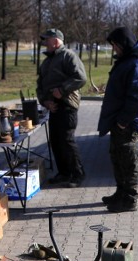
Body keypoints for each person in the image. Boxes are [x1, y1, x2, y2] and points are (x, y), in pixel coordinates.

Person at [97, 26, 138, 213]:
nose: (114, 49)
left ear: (123, 44)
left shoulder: (136, 64)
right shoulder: (127, 61)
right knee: (118, 158)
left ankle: (129, 199)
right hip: (119, 121)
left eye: (115, 45)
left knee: (128, 161)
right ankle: (120, 193)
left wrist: (123, 121)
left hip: (127, 124)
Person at [36, 29, 88, 188]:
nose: (44, 42)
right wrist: (45, 102)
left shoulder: (68, 56)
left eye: (47, 39)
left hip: (67, 105)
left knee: (67, 140)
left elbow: (80, 78)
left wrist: (62, 90)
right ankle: (64, 173)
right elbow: (40, 85)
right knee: (56, 141)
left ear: (56, 40)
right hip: (53, 107)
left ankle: (77, 174)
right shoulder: (47, 62)